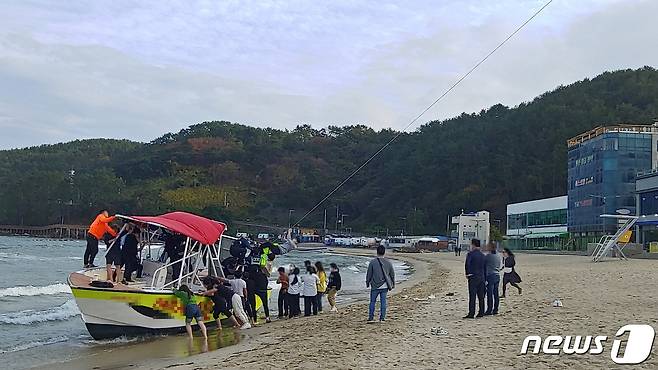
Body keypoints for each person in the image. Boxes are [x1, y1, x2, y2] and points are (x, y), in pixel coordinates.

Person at [366, 245, 395, 323]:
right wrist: (393, 283)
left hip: (375, 285)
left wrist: (367, 282)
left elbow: (369, 274)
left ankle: (371, 317)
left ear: (377, 252)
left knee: (372, 302)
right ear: (384, 252)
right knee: (383, 302)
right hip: (385, 286)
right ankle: (382, 318)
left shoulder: (372, 262)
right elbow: (392, 274)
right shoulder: (388, 262)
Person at [464, 238, 486, 319]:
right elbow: (485, 267)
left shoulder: (470, 254)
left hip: (473, 276)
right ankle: (481, 312)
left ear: (473, 245)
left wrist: (467, 273)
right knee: (481, 296)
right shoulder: (483, 255)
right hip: (481, 276)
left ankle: (471, 313)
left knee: (472, 296)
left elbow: (467, 264)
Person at [484, 242, 502, 315]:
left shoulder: (488, 256)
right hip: (497, 275)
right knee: (496, 293)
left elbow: (484, 265)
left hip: (490, 275)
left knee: (490, 294)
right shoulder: (498, 256)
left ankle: (489, 309)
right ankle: (496, 309)